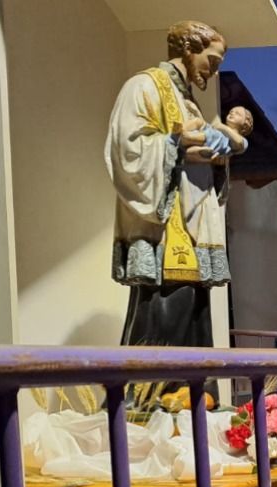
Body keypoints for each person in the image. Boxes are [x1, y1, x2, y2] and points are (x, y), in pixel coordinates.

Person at [106, 20, 248, 348]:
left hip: (194, 221)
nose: (213, 73)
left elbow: (197, 157)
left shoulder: (186, 99)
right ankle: (151, 396)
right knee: (162, 310)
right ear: (188, 50)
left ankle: (198, 396)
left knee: (194, 311)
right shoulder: (144, 86)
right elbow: (126, 147)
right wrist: (176, 144)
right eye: (211, 61)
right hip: (167, 231)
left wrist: (214, 160)